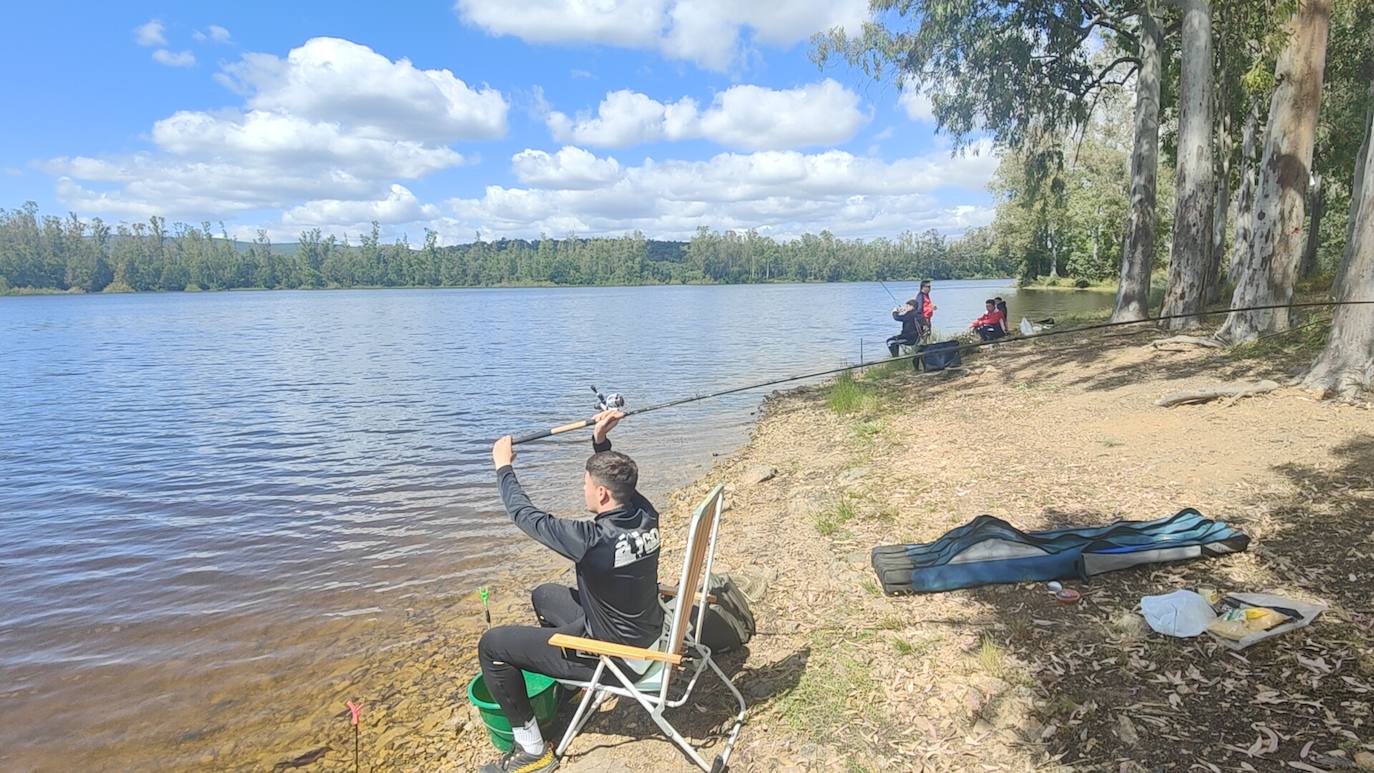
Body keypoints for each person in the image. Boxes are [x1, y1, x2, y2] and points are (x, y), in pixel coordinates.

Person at [478, 410, 661, 773]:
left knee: (493, 645)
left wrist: (504, 468)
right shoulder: (646, 514)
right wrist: (600, 441)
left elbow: (525, 516)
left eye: (587, 484)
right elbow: (624, 485)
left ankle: (532, 751)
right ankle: (571, 685)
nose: (583, 488)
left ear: (603, 494)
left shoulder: (593, 541)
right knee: (544, 594)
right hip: (647, 632)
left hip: (619, 657)